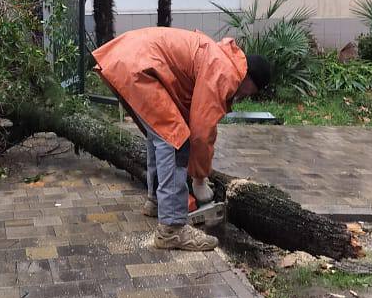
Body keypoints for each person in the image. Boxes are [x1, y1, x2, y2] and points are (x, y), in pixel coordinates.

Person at [92, 27, 272, 251]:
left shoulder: (220, 58)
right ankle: (172, 229)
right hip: (138, 66)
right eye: (249, 92)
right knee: (174, 139)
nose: (244, 96)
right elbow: (201, 132)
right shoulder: (225, 73)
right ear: (249, 79)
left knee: (161, 134)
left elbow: (190, 110)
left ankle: (157, 202)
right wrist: (199, 179)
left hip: (129, 59)